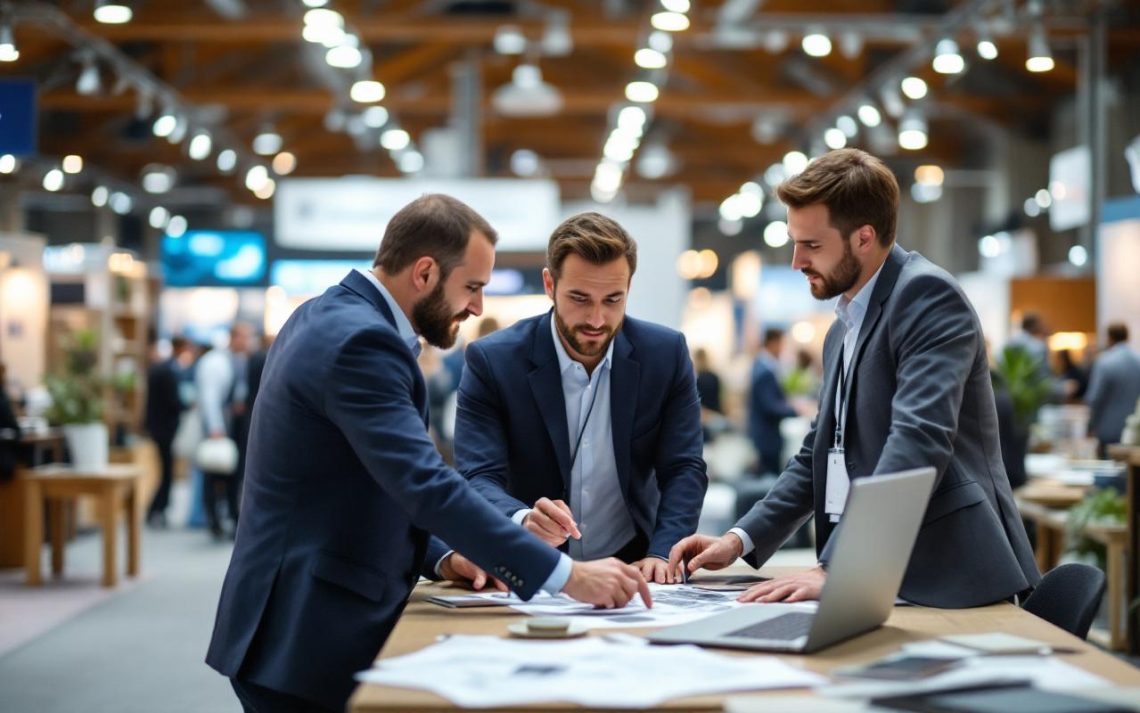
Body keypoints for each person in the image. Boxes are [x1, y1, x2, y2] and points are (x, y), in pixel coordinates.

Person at [206, 195, 650, 713]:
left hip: (298, 620)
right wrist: (568, 576)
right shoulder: (360, 343)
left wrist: (444, 556)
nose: (478, 307)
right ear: (424, 273)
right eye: (473, 287)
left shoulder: (327, 315)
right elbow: (425, 485)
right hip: (305, 632)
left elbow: (372, 484)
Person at [668, 148, 1039, 609]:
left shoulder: (927, 296)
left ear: (864, 238)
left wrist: (845, 565)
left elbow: (918, 441)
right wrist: (739, 540)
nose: (796, 261)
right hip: (883, 578)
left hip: (951, 573)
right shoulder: (843, 325)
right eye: (795, 242)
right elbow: (817, 454)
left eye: (812, 245)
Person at [450, 212, 708, 583]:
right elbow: (478, 476)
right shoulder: (493, 362)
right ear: (549, 284)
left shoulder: (665, 355)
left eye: (613, 299)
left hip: (636, 565)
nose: (597, 319)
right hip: (534, 565)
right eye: (580, 298)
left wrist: (662, 551)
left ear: (629, 288)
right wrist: (521, 518)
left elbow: (683, 467)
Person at [195, 322, 254, 538]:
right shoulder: (215, 362)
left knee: (233, 474)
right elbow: (210, 397)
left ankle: (232, 517)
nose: (247, 342)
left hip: (234, 425)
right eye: (244, 337)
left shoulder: (239, 360)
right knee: (214, 473)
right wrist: (216, 427)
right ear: (233, 337)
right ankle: (214, 522)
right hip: (218, 426)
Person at [144, 335, 190, 527]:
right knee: (166, 471)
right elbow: (174, 401)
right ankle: (157, 509)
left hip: (157, 428)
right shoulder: (168, 371)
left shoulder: (160, 369)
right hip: (165, 430)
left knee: (165, 470)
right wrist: (188, 406)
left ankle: (157, 509)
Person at [748, 327, 798, 476]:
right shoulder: (765, 370)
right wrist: (795, 410)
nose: (782, 349)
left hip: (764, 432)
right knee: (769, 478)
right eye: (781, 344)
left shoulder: (762, 365)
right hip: (767, 434)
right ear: (773, 342)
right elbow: (770, 406)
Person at [1085, 322, 1140, 455]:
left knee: (1108, 465)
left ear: (1109, 338)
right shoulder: (1138, 361)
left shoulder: (1105, 362)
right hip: (1134, 430)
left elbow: (1095, 398)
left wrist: (1090, 425)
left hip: (1108, 428)